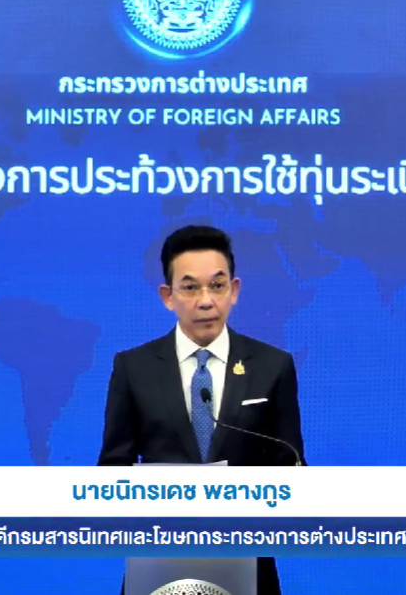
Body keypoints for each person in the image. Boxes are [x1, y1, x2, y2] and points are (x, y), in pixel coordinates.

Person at [98, 225, 306, 595]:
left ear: (234, 290)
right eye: (190, 287)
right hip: (159, 561)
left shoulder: (272, 366)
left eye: (217, 285)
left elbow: (290, 466)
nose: (206, 300)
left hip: (247, 563)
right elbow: (113, 470)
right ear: (168, 296)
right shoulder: (134, 368)